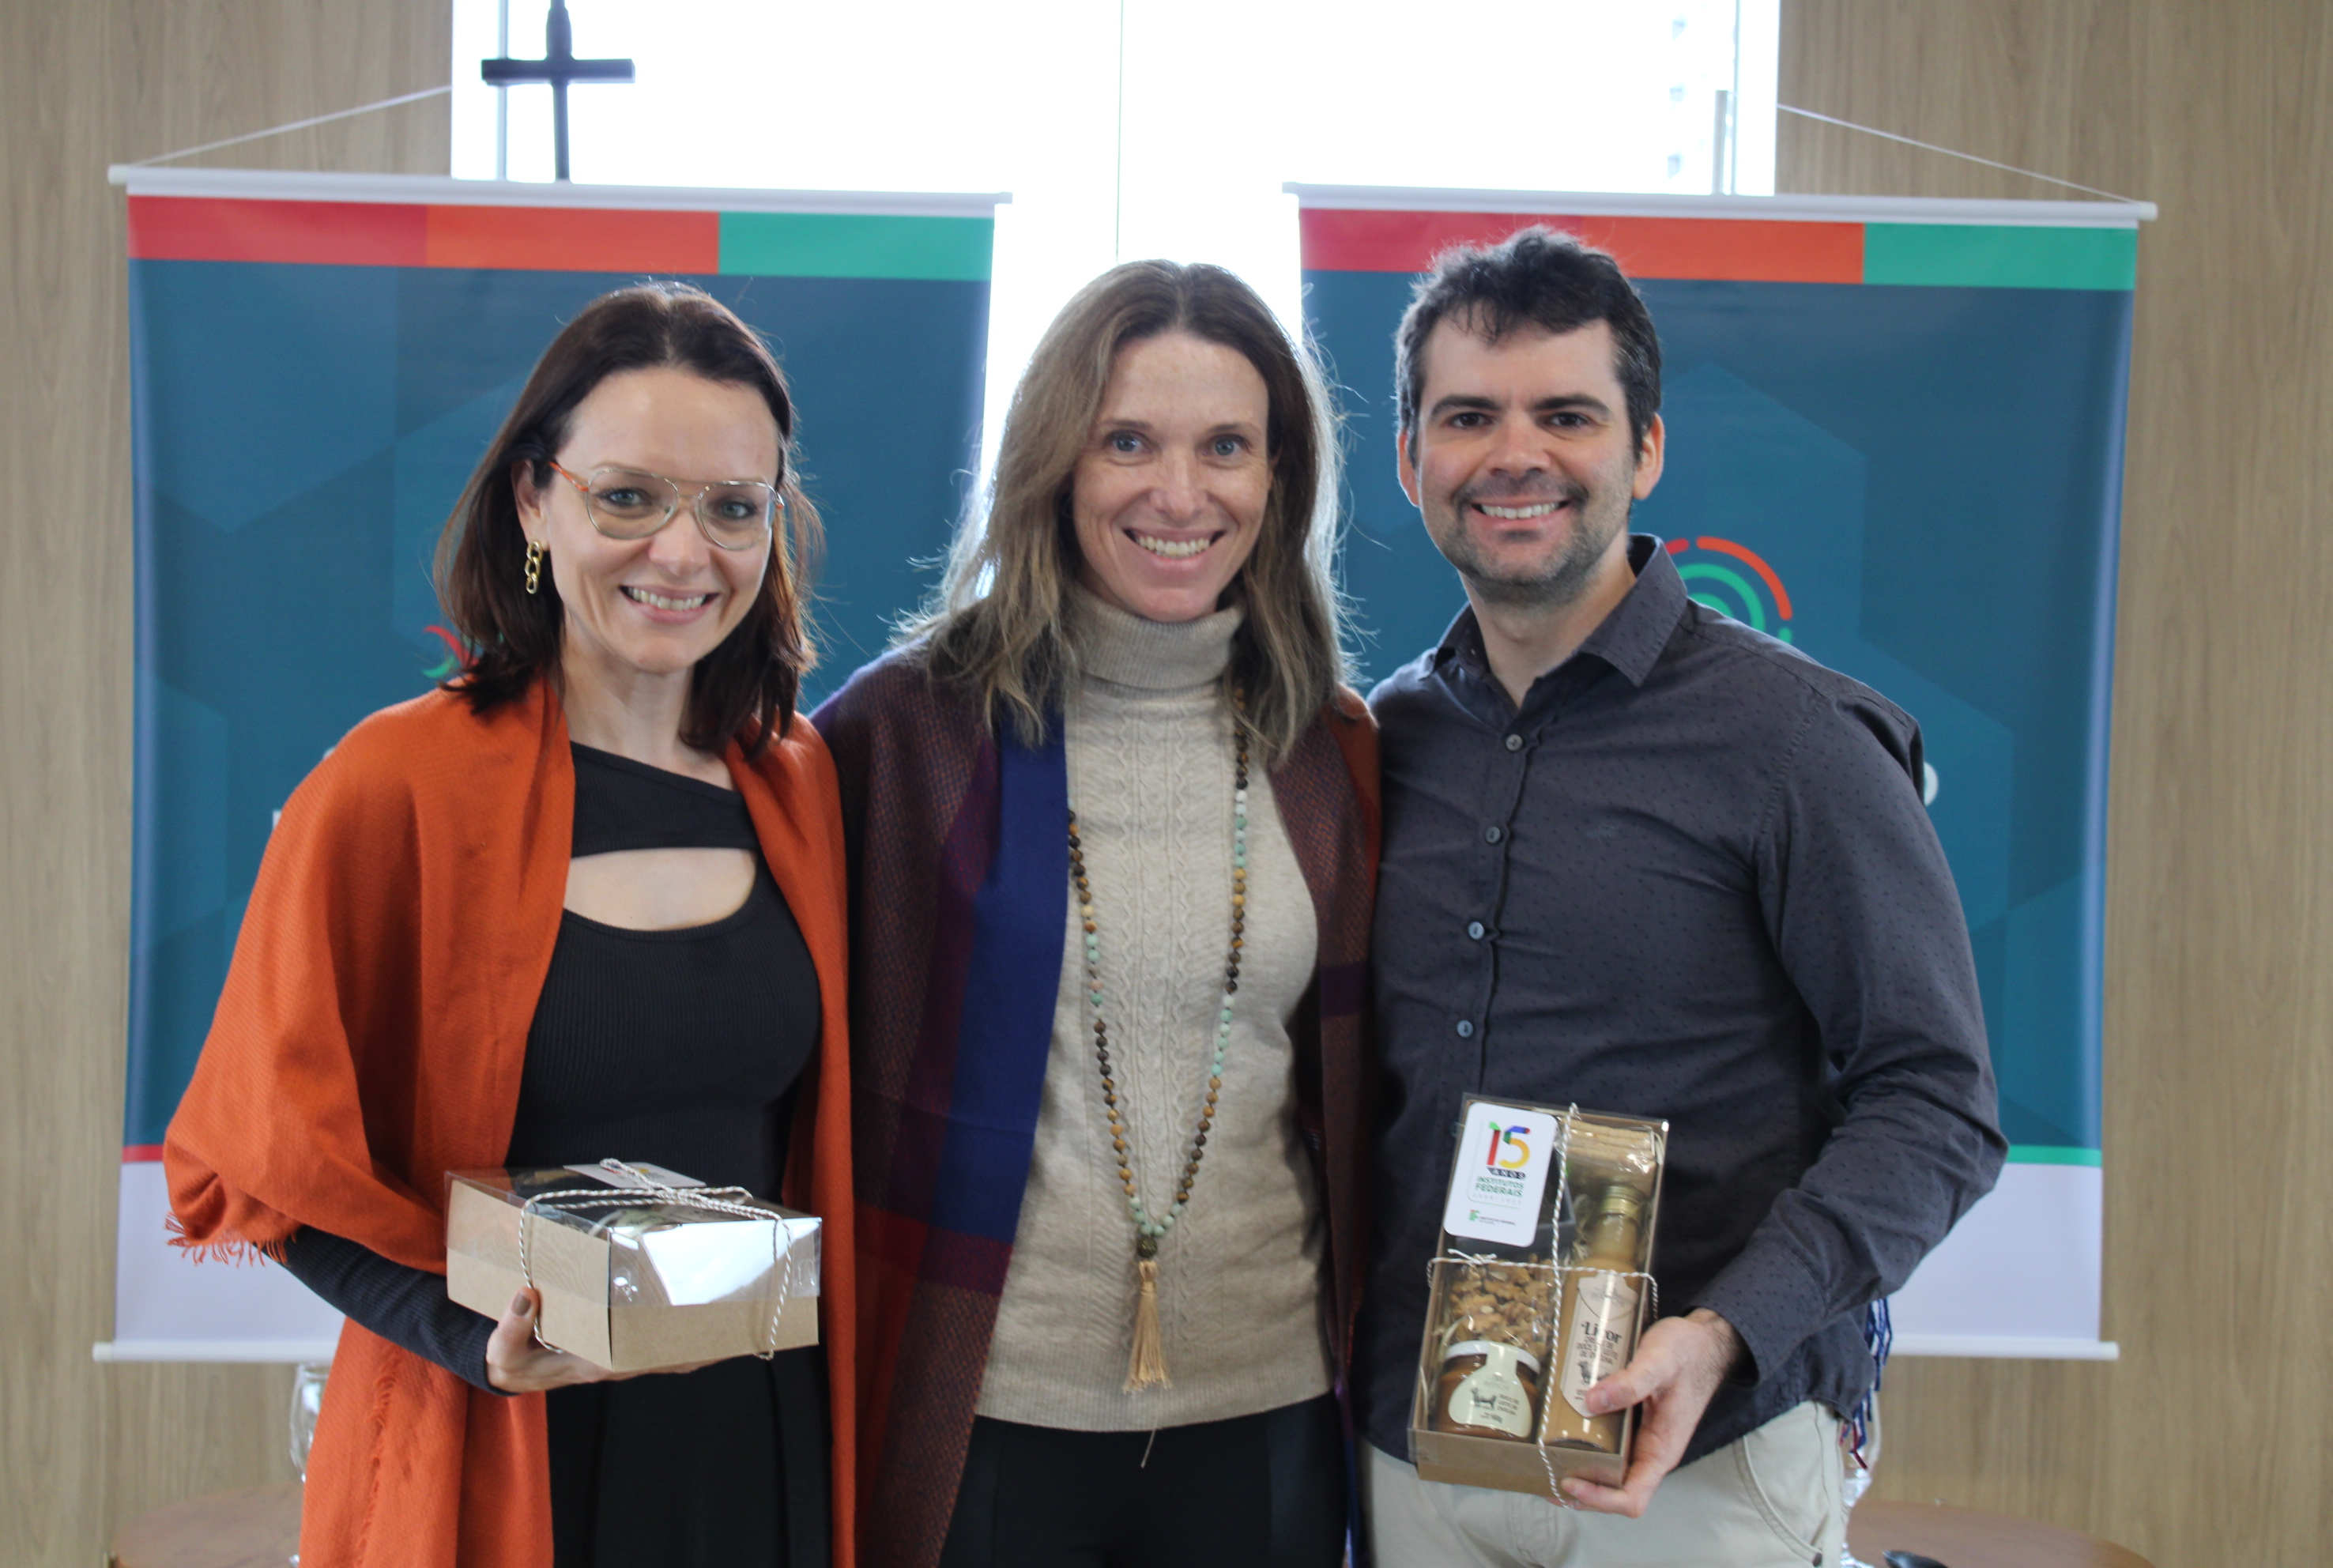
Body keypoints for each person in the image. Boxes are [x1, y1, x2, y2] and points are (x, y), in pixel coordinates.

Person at [163, 283, 857, 1568]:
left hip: (757, 1456)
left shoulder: (799, 783)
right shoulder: (394, 788)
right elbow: (267, 1166)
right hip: (499, 1442)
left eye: (732, 507)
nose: (683, 553)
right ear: (535, 500)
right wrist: (466, 1335)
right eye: (628, 497)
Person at [1353, 226, 2006, 1566]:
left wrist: (1728, 1332)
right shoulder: (1379, 741)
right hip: (1416, 1450)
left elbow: (1937, 1102)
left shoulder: (1798, 742)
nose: (1515, 455)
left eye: (1567, 415)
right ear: (1411, 459)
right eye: (1468, 417)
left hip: (1691, 1463)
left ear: (1646, 450)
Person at [812, 260, 1378, 1568]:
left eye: (1226, 446)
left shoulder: (1330, 749)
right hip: (987, 1410)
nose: (1180, 494)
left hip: (1271, 1408)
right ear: (1054, 464)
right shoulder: (905, 735)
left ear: (1279, 479)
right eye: (1128, 441)